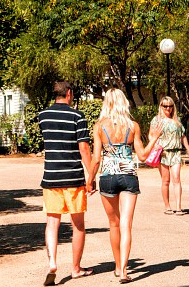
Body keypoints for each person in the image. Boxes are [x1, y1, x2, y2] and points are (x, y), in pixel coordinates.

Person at [86, 88, 155, 284]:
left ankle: (117, 266)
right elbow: (142, 156)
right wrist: (155, 139)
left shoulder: (99, 126)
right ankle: (124, 271)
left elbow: (96, 158)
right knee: (126, 224)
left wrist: (89, 180)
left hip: (107, 176)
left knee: (113, 224)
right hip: (128, 176)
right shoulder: (133, 126)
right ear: (124, 102)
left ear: (106, 103)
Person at [37, 81, 94, 285]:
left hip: (51, 176)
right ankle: (76, 269)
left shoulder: (43, 116)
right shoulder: (78, 117)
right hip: (73, 178)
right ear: (69, 93)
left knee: (52, 222)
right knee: (77, 225)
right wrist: (91, 175)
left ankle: (52, 262)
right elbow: (84, 149)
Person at [148, 96, 189, 214]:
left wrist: (188, 149)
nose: (168, 108)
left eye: (170, 106)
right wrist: (155, 145)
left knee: (176, 178)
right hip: (163, 153)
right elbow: (150, 134)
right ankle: (167, 206)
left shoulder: (177, 120)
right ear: (161, 107)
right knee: (165, 180)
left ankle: (178, 207)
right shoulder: (156, 120)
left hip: (176, 152)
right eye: (165, 106)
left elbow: (182, 136)